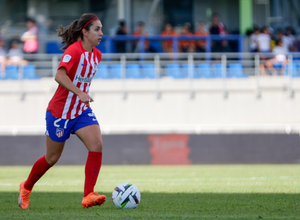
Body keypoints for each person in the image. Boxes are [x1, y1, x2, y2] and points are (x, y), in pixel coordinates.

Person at [18, 13, 106, 209]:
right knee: (52, 158)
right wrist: (79, 92)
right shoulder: (73, 51)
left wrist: (83, 98)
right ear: (85, 32)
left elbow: (83, 79)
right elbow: (59, 75)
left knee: (97, 144)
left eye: (101, 29)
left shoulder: (97, 55)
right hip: (59, 112)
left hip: (80, 111)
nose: (101, 33)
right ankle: (26, 187)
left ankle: (88, 195)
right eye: (97, 29)